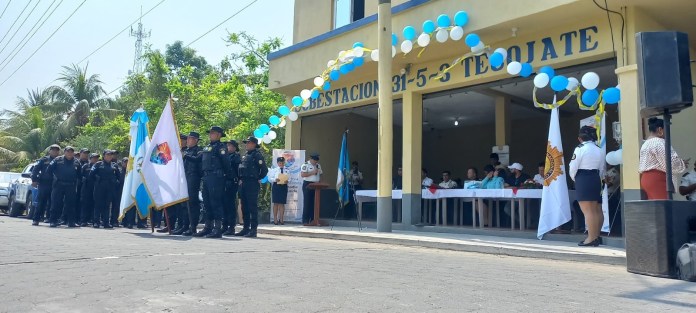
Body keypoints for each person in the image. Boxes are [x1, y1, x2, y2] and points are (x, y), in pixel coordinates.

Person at [569, 126, 605, 246]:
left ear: (580, 138)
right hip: (596, 177)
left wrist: (575, 178)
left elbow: (573, 167)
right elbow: (602, 168)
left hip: (583, 177)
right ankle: (597, 236)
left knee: (588, 210)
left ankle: (591, 238)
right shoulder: (599, 149)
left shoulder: (580, 148)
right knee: (597, 209)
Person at [195, 126, 232, 238]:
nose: (210, 134)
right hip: (206, 177)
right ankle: (208, 227)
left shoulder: (221, 147)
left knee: (215, 202)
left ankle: (217, 228)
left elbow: (226, 163)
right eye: (210, 133)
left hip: (216, 177)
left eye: (213, 133)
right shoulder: (207, 147)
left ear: (219, 135)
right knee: (207, 203)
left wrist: (228, 178)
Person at [639, 117, 687, 200]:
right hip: (657, 179)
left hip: (646, 179)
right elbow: (670, 163)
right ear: (660, 130)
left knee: (657, 208)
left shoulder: (645, 144)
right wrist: (682, 164)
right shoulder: (658, 142)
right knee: (665, 208)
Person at [236, 136, 268, 237]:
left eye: (248, 143)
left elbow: (264, 170)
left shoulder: (257, 155)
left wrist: (257, 178)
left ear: (254, 144)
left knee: (252, 207)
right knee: (244, 207)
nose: (247, 144)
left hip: (252, 183)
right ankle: (246, 228)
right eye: (246, 143)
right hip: (243, 183)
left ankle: (253, 229)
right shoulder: (245, 155)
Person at [46, 146, 81, 228]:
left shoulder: (77, 162)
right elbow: (49, 170)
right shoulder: (57, 160)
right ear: (64, 152)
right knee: (56, 203)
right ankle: (53, 221)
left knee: (71, 204)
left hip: (71, 185)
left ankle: (71, 222)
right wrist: (54, 178)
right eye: (68, 151)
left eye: (71, 152)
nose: (69, 153)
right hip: (59, 185)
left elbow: (79, 174)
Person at [31, 144, 60, 226]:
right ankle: (36, 219)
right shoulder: (44, 160)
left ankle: (50, 219)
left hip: (56, 184)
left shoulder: (60, 160)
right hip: (44, 183)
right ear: (50, 151)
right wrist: (34, 180)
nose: (55, 151)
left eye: (56, 150)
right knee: (41, 202)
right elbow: (35, 170)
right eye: (53, 150)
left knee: (53, 203)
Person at [90, 150, 120, 228]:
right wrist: (96, 181)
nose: (109, 156)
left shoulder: (114, 165)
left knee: (107, 205)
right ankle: (96, 222)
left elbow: (118, 177)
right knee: (98, 205)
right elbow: (91, 175)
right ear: (103, 156)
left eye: (111, 155)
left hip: (110, 188)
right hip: (99, 187)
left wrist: (115, 182)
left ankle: (106, 222)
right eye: (108, 155)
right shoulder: (98, 164)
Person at [181, 132, 203, 236]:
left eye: (190, 139)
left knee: (192, 203)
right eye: (188, 139)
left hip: (194, 177)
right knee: (184, 203)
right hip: (185, 177)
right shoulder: (186, 151)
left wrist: (186, 156)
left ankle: (192, 226)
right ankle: (184, 226)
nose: (188, 141)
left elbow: (197, 160)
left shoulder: (199, 150)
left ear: (195, 140)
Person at [221, 140, 241, 236]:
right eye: (227, 145)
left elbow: (238, 170)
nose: (228, 147)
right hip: (224, 182)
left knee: (230, 205)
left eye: (230, 146)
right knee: (224, 205)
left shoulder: (236, 157)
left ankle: (231, 227)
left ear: (234, 148)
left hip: (232, 182)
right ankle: (224, 226)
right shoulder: (225, 156)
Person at [301, 153, 322, 225]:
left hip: (316, 185)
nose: (316, 162)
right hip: (308, 184)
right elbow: (303, 174)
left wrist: (320, 181)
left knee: (315, 203)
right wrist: (312, 172)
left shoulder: (318, 165)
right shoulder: (305, 165)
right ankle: (305, 220)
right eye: (315, 160)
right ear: (311, 159)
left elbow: (321, 174)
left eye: (317, 161)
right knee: (307, 202)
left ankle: (313, 219)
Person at [79, 153, 99, 227]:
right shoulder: (85, 166)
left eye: (96, 158)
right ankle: (83, 220)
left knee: (94, 205)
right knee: (85, 205)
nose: (95, 159)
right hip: (86, 188)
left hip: (96, 188)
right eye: (93, 158)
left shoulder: (99, 166)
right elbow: (80, 175)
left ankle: (94, 221)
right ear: (90, 158)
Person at [269, 157, 289, 225]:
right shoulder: (274, 170)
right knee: (276, 203)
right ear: (277, 163)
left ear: (284, 162)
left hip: (284, 186)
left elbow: (290, 178)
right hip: (276, 186)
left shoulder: (287, 170)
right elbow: (270, 178)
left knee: (282, 203)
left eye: (282, 162)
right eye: (280, 163)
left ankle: (281, 219)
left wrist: (287, 181)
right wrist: (275, 179)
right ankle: (275, 219)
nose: (281, 164)